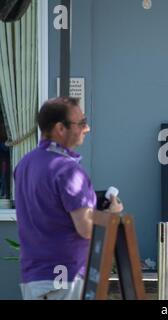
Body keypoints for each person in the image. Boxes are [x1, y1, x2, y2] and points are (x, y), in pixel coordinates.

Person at [14, 97, 123, 300]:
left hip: (32, 275)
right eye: (81, 123)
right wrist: (111, 213)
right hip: (64, 275)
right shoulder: (67, 169)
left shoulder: (24, 164)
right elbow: (86, 228)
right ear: (60, 129)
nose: (87, 128)